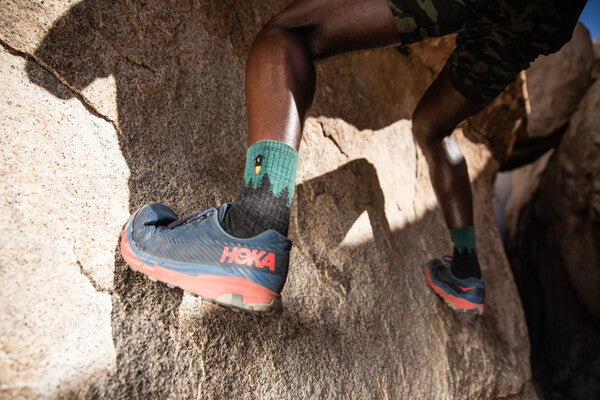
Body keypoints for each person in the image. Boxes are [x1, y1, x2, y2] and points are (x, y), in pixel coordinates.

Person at [120, 0, 587, 317]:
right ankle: (466, 272)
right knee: (433, 127)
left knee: (291, 33)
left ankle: (251, 227)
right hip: (545, 14)